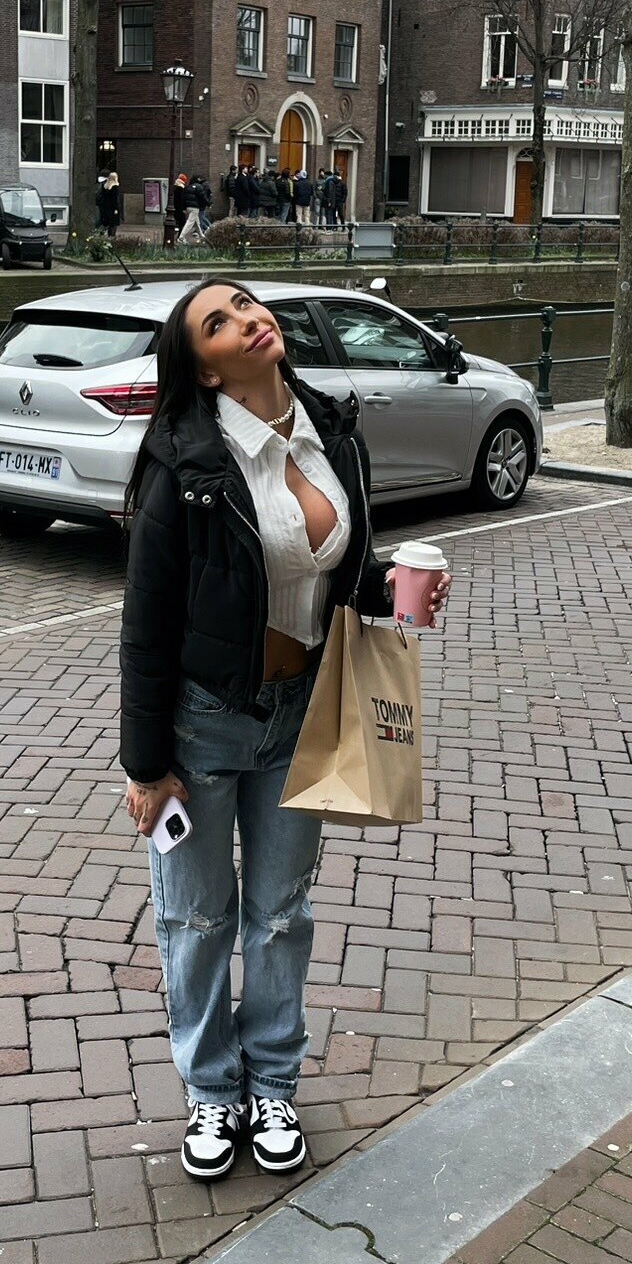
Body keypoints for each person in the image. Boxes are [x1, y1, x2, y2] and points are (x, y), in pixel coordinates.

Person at [119, 279, 450, 1180]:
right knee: (196, 918)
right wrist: (145, 765)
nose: (247, 319)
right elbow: (145, 624)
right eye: (218, 323)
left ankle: (271, 1083)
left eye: (244, 303)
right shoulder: (185, 465)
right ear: (203, 369)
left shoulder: (331, 434)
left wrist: (396, 589)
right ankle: (210, 1091)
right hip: (203, 722)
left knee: (279, 916)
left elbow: (337, 569)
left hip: (306, 710)